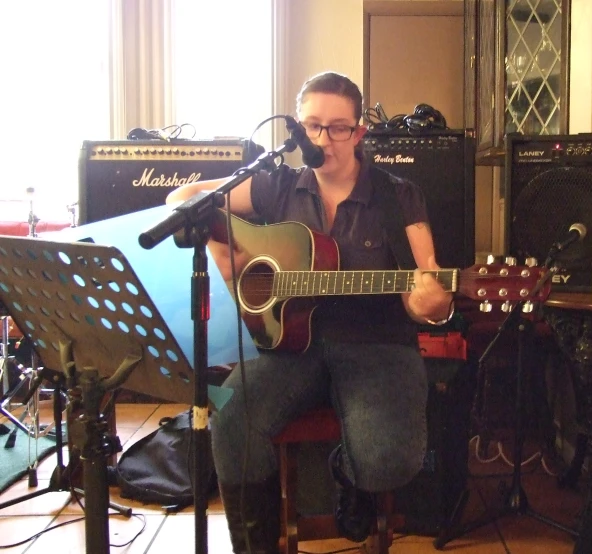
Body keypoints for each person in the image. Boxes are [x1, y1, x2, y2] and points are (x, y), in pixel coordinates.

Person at [166, 71, 454, 554]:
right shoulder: (276, 184)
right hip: (286, 345)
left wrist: (432, 305)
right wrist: (224, 252)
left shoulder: (397, 194)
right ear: (297, 131)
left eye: (339, 127)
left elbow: (426, 283)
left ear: (359, 132)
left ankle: (347, 473)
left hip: (376, 346)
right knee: (231, 418)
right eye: (313, 126)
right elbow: (181, 202)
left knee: (389, 461)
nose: (325, 139)